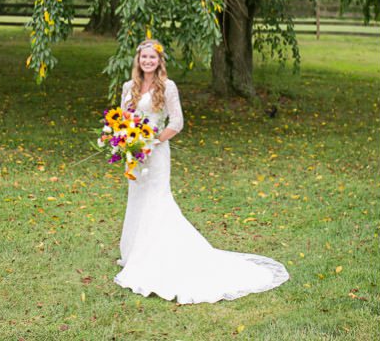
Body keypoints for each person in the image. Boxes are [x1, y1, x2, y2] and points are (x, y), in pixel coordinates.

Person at [114, 39, 289, 303]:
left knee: (156, 200)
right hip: (135, 153)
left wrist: (154, 140)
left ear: (159, 61)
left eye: (152, 57)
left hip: (157, 152)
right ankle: (133, 253)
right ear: (138, 60)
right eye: (143, 57)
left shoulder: (167, 86)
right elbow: (123, 116)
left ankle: (158, 256)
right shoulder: (129, 86)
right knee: (136, 198)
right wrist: (126, 137)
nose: (147, 61)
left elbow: (178, 122)